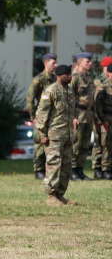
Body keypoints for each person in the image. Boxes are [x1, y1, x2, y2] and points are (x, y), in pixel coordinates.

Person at [36, 64, 78, 205]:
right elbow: (42, 113)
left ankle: (60, 194)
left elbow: (71, 111)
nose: (70, 77)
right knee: (54, 164)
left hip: (67, 134)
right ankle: (51, 196)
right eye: (68, 74)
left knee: (66, 165)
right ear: (60, 76)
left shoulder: (69, 91)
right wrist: (42, 133)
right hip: (54, 135)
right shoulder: (51, 90)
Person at [26, 53, 57, 180]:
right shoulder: (38, 79)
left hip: (53, 116)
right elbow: (30, 99)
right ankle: (38, 169)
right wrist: (33, 116)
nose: (56, 65)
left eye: (56, 62)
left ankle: (48, 168)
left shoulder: (56, 79)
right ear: (46, 63)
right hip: (41, 116)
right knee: (40, 142)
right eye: (53, 63)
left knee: (51, 142)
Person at [70, 52, 95, 180]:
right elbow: (70, 98)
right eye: (87, 61)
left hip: (88, 114)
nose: (90, 63)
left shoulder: (88, 77)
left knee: (85, 145)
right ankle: (72, 170)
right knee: (76, 143)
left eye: (90, 61)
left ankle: (80, 170)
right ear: (79, 62)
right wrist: (73, 117)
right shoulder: (74, 77)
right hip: (78, 114)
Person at [92, 64, 112, 179]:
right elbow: (97, 106)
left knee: (109, 145)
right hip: (104, 120)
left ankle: (107, 168)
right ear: (109, 74)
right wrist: (101, 121)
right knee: (102, 145)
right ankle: (100, 169)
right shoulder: (103, 88)